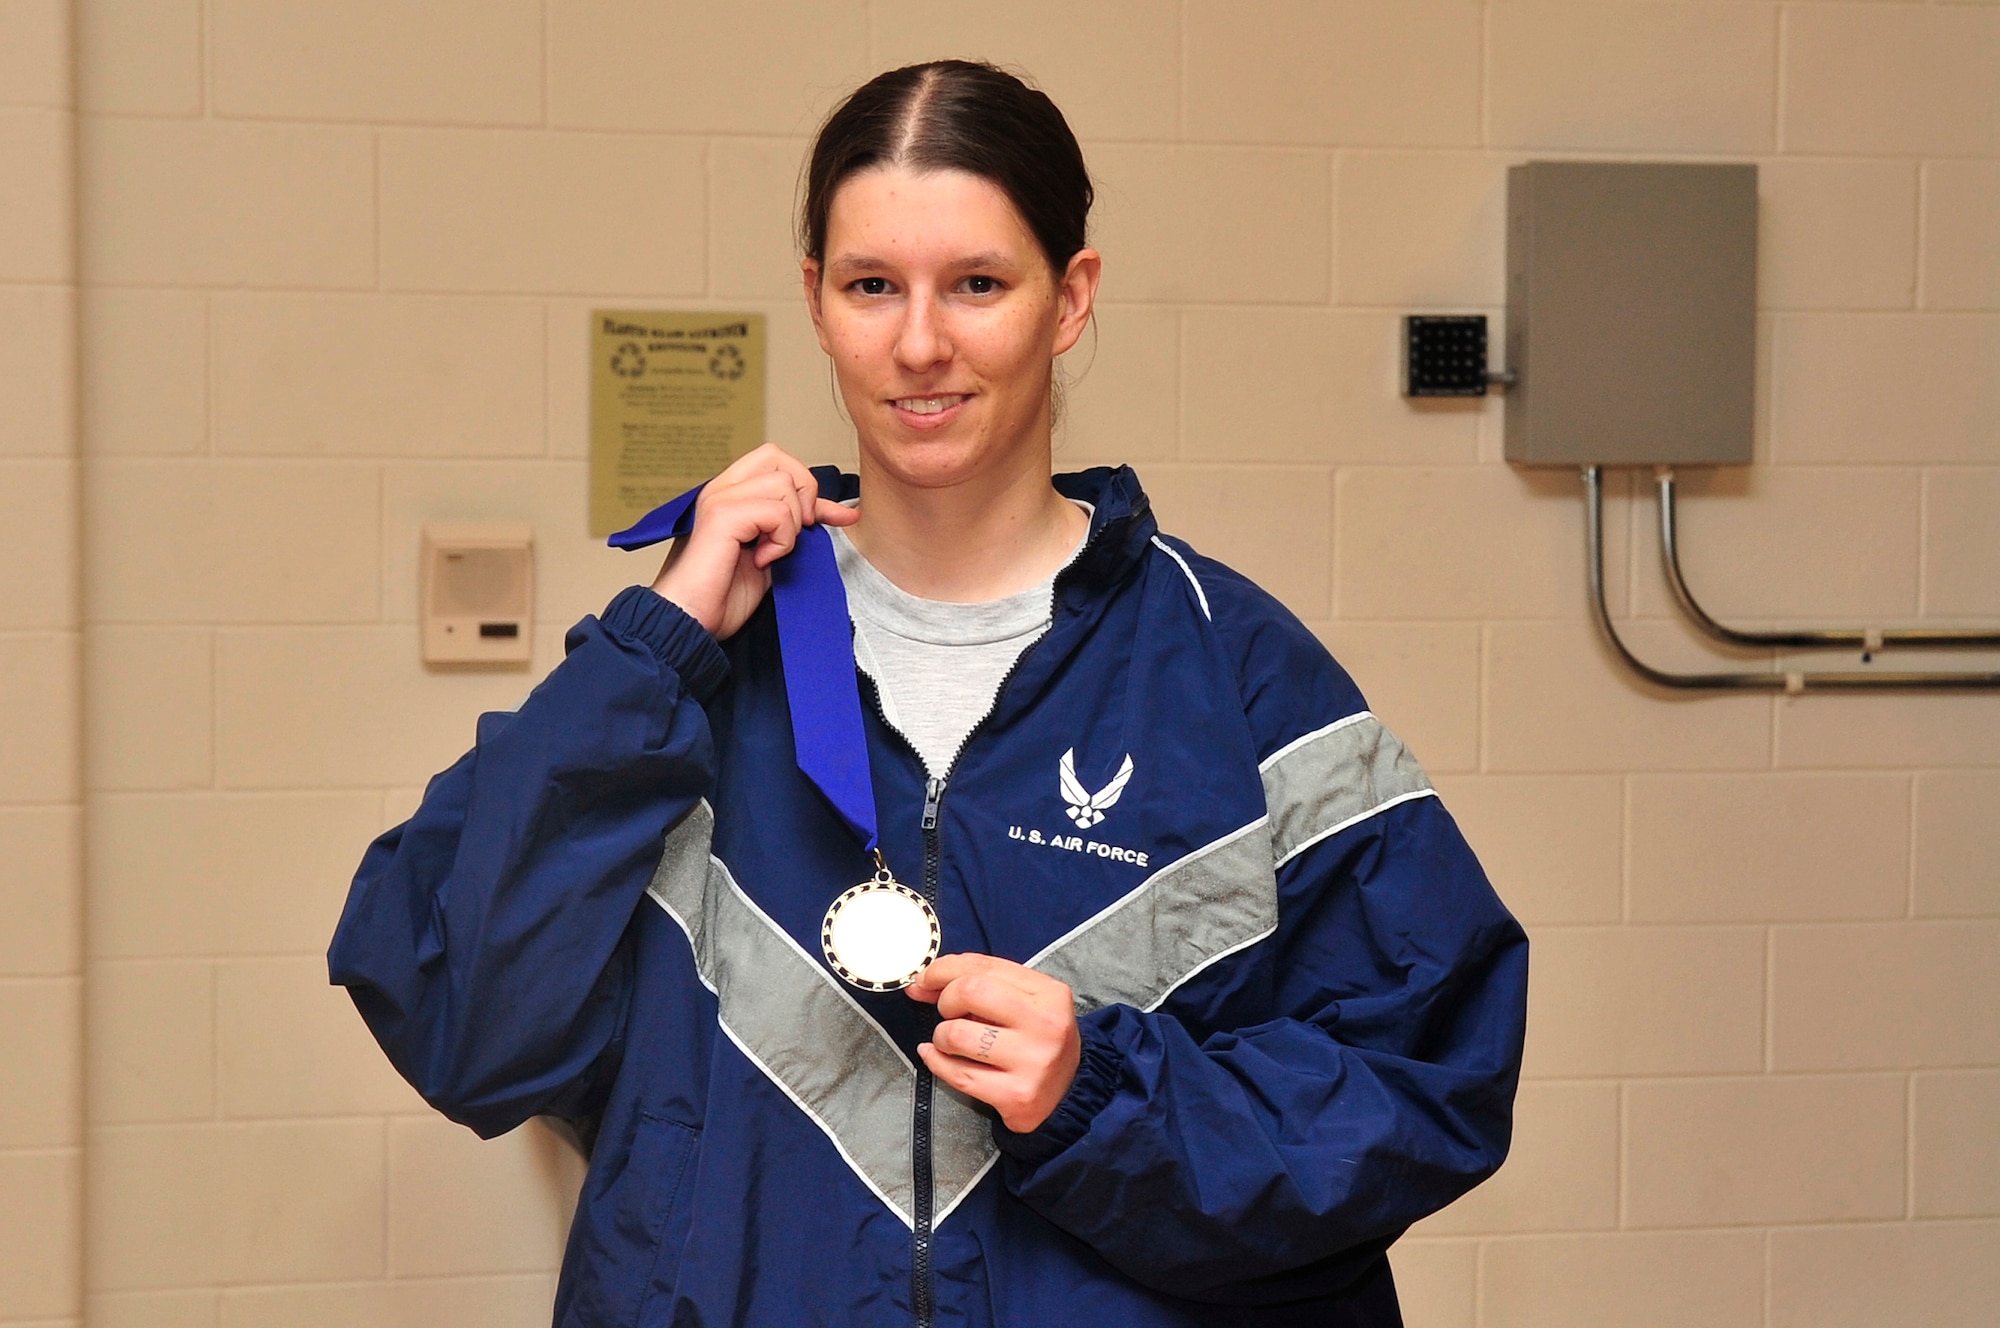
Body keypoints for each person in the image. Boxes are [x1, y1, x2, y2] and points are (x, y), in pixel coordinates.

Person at [329, 60, 1528, 1328]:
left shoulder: (1227, 666)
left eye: (975, 283)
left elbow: (1425, 1084)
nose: (917, 342)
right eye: (870, 286)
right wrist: (659, 634)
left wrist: (1102, 1094)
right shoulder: (686, 672)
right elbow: (453, 1008)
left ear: (1068, 300)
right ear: (816, 301)